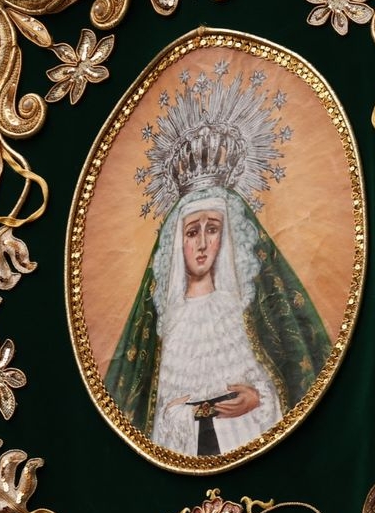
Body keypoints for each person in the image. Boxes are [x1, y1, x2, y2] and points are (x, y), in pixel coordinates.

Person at [105, 184, 332, 457]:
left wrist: (257, 398)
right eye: (192, 232)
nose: (202, 244)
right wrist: (186, 415)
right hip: (185, 454)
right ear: (178, 240)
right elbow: (154, 413)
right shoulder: (168, 324)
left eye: (212, 229)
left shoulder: (243, 311)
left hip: (249, 442)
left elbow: (280, 384)